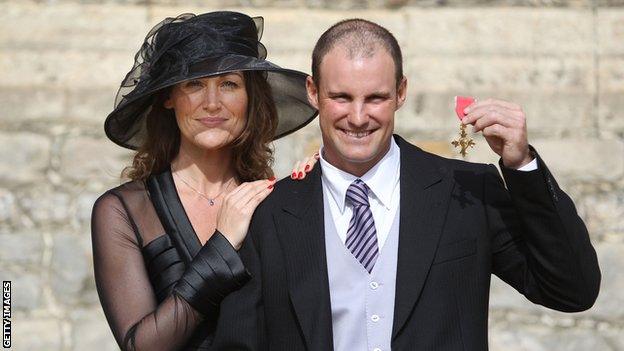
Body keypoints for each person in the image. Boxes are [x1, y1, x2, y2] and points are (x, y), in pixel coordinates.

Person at [209, 19, 601, 351]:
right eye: (342, 97)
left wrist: (521, 166)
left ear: (400, 92)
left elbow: (572, 290)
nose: (358, 117)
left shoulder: (468, 191)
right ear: (313, 93)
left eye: (375, 97)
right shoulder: (269, 212)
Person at [91, 11, 319, 351]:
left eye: (228, 84)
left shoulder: (270, 200)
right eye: (194, 83)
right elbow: (141, 347)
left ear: (249, 97)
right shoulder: (123, 211)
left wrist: (317, 193)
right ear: (168, 97)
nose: (212, 103)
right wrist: (223, 244)